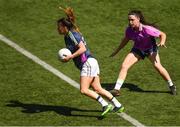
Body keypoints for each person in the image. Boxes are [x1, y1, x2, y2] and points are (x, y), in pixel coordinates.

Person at [57, 7, 124, 117]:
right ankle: (118, 105)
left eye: (58, 27)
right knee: (98, 88)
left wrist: (70, 57)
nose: (57, 29)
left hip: (87, 63)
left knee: (84, 90)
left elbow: (82, 49)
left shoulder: (72, 35)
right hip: (91, 62)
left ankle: (105, 105)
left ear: (64, 27)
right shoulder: (68, 36)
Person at [110, 10, 177, 96]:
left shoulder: (147, 29)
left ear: (138, 19)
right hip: (137, 49)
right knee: (124, 65)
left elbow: (162, 34)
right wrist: (117, 51)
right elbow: (125, 40)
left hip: (150, 49)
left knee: (158, 66)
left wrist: (162, 42)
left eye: (132, 20)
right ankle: (117, 89)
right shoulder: (129, 30)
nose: (130, 22)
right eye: (129, 20)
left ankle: (171, 85)